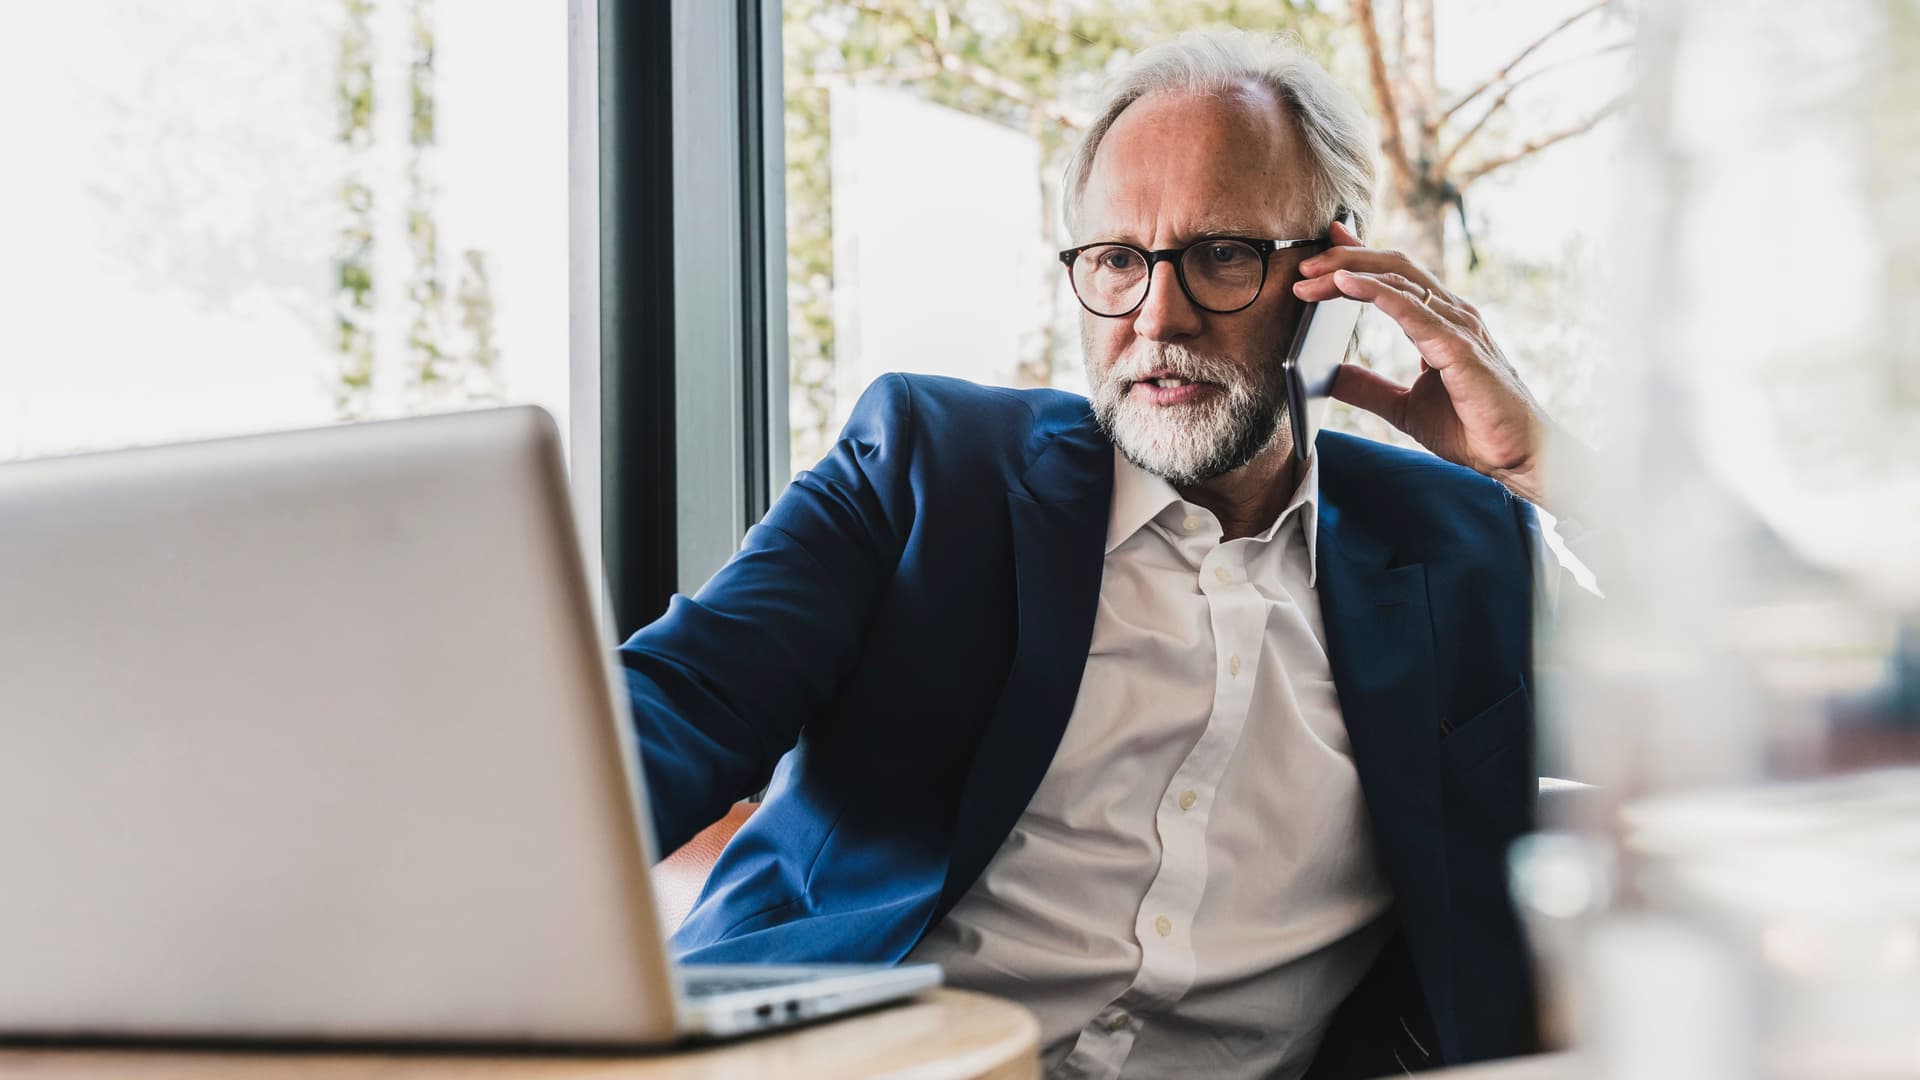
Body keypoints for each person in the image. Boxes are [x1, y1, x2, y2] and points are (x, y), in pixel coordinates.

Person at [621, 29, 1594, 1080]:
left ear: (1336, 280)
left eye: (1222, 255)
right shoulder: (927, 468)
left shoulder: (1460, 546)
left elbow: (1724, 719)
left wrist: (1557, 475)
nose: (1158, 316)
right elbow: (673, 705)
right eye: (1120, 261)